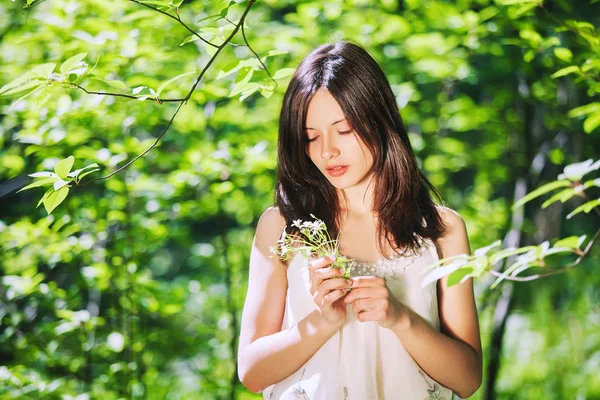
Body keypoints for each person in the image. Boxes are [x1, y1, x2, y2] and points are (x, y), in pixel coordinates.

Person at [237, 40, 482, 399]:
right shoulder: (282, 227)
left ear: (379, 119)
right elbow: (253, 373)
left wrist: (401, 319)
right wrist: (323, 320)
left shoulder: (442, 231)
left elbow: (467, 380)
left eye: (345, 130)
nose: (327, 151)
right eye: (311, 137)